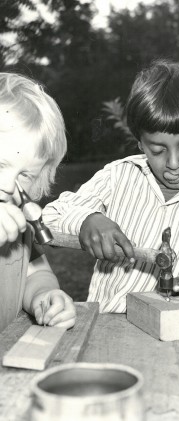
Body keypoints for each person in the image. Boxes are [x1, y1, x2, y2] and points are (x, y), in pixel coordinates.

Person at [42, 59, 179, 316]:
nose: (173, 163)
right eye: (158, 149)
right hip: (109, 326)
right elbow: (49, 218)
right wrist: (86, 220)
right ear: (140, 141)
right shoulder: (118, 177)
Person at [0, 73, 76, 333]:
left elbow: (35, 273)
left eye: (25, 175)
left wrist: (45, 297)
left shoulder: (20, 226)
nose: (9, 185)